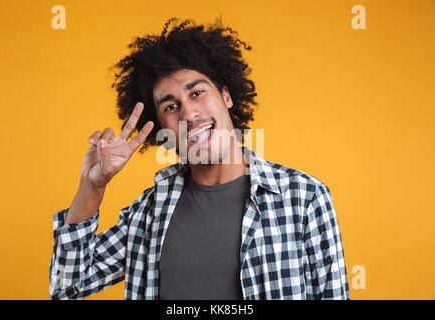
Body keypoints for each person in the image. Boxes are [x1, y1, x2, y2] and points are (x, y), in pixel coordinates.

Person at [49, 18, 350, 300]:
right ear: (163, 128)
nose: (189, 115)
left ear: (226, 96)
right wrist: (93, 186)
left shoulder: (304, 197)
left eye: (197, 93)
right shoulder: (150, 212)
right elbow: (65, 287)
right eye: (170, 107)